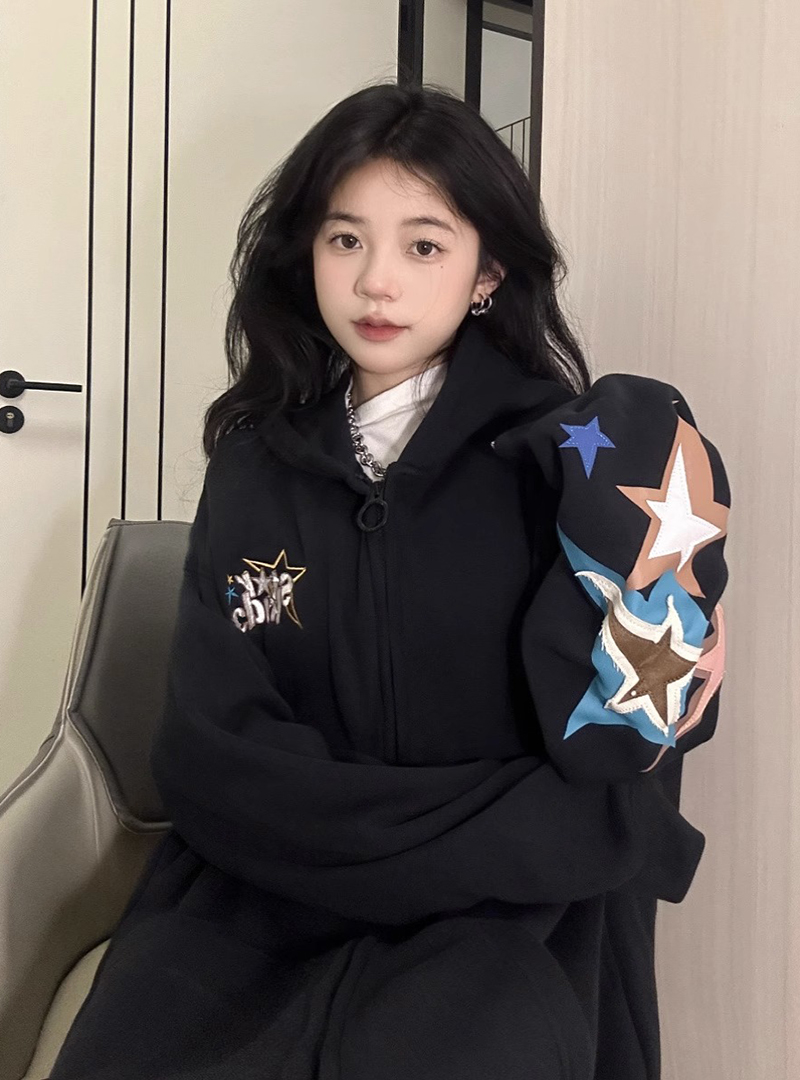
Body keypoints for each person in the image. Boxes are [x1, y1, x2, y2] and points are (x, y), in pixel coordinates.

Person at [47, 81, 730, 1080]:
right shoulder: (254, 466)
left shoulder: (575, 470)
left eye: (423, 246)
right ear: (305, 255)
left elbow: (602, 779)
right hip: (252, 902)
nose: (377, 283)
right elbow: (208, 748)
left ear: (487, 271)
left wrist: (440, 853)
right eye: (345, 240)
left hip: (505, 918)